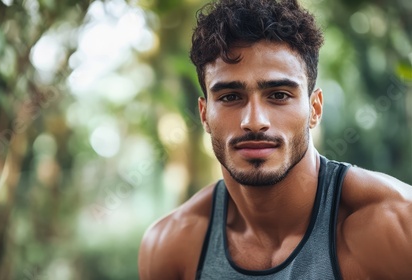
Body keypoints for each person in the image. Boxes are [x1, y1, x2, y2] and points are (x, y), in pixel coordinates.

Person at [138, 0, 412, 279]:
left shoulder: (396, 225)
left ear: (315, 109)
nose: (254, 121)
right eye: (230, 97)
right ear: (205, 114)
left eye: (279, 95)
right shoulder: (170, 245)